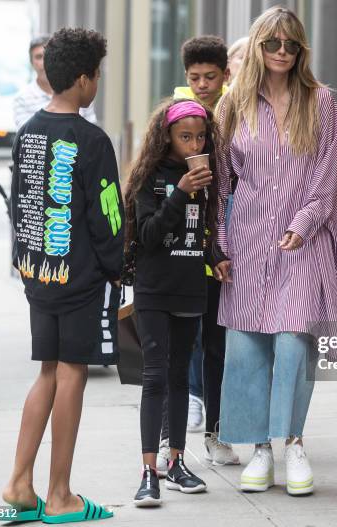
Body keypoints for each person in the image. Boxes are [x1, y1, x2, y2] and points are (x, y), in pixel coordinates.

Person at [213, 7, 337, 496]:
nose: (282, 54)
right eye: (273, 45)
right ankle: (259, 450)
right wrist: (221, 244)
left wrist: (305, 222)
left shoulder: (322, 102)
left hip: (302, 239)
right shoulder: (232, 106)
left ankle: (292, 441)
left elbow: (328, 172)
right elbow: (222, 185)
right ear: (257, 46)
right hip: (247, 238)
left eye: (291, 46)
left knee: (294, 341)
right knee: (248, 344)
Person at [3, 28, 122, 523]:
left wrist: (25, 261)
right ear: (81, 79)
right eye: (96, 75)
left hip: (39, 274)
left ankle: (19, 484)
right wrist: (120, 267)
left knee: (47, 371)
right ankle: (59, 495)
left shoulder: (29, 130)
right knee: (72, 374)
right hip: (80, 278)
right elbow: (108, 215)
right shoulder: (92, 140)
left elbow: (21, 200)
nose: (98, 82)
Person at [123, 98, 223, 506]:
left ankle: (178, 460)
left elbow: (200, 235)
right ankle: (149, 470)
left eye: (200, 137)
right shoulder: (151, 177)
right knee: (155, 378)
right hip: (153, 288)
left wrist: (217, 259)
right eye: (186, 137)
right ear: (167, 136)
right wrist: (180, 192)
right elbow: (148, 233)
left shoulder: (204, 178)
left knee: (181, 376)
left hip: (189, 288)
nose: (194, 143)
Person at [168, 35, 239, 469]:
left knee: (216, 343)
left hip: (221, 239)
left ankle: (216, 432)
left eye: (210, 77)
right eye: (194, 78)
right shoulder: (172, 116)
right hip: (182, 245)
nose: (202, 85)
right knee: (181, 344)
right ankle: (170, 438)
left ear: (225, 75)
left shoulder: (236, 112)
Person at [13, 35, 97, 129]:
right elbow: (26, 135)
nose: (44, 62)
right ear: (32, 62)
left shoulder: (78, 90)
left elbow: (91, 129)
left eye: (47, 56)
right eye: (39, 57)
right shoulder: (22, 99)